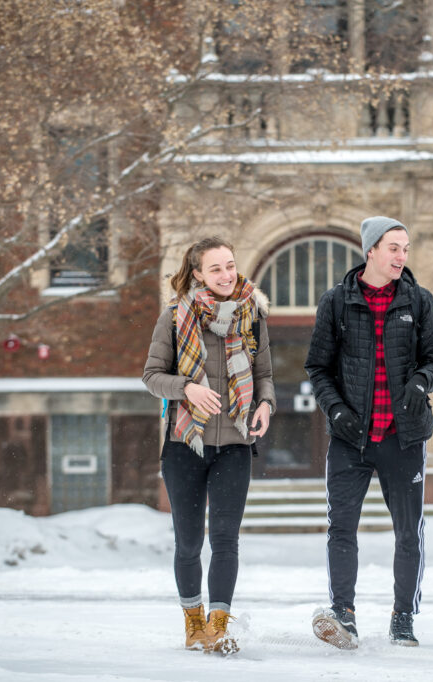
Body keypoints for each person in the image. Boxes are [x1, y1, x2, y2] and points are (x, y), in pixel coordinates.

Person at [305, 216, 433, 649]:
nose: (402, 256)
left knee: (408, 531)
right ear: (371, 251)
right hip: (351, 439)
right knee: (341, 527)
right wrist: (336, 410)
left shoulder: (419, 301)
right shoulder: (336, 302)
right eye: (394, 248)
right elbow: (317, 367)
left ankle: (403, 617)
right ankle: (343, 614)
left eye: (406, 248)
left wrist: (422, 382)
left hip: (404, 438)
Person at [142, 236, 275, 655]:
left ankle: (219, 624)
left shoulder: (253, 314)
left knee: (225, 539)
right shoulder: (174, 317)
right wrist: (187, 389)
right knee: (188, 542)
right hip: (184, 444)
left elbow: (266, 373)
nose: (226, 274)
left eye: (230, 266)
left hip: (235, 443)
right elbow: (151, 376)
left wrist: (267, 404)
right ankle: (193, 621)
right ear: (197, 273)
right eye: (215, 268)